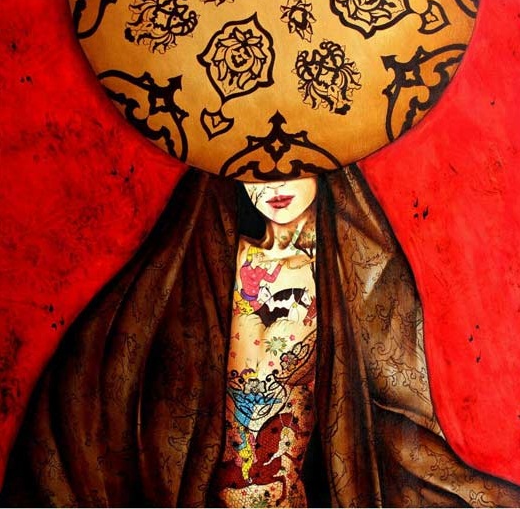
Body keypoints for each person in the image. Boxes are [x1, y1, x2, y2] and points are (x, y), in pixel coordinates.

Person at [2, 166, 520, 507]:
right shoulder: (198, 263)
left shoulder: (359, 275)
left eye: (293, 157)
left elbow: (396, 423)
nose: (274, 177)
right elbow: (101, 376)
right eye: (254, 159)